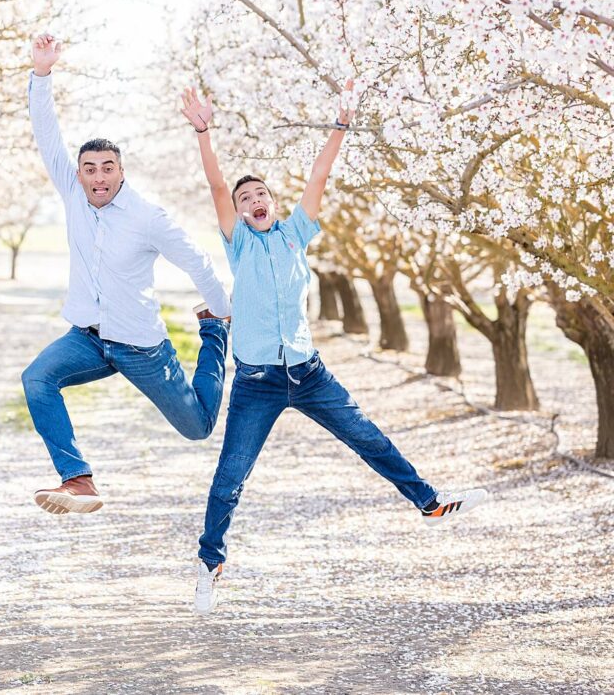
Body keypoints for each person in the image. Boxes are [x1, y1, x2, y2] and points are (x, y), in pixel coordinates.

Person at [179, 85, 488, 614]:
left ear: (273, 204)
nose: (253, 201)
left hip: (310, 374)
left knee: (368, 437)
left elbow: (319, 178)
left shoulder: (296, 234)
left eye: (261, 195)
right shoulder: (240, 244)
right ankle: (211, 563)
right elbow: (212, 182)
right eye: (244, 198)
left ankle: (429, 503)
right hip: (256, 382)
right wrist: (204, 133)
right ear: (237, 212)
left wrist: (340, 127)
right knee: (231, 475)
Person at [23, 34, 232, 515]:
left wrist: (219, 313)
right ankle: (78, 480)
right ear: (78, 173)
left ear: (122, 171)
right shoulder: (73, 194)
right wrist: (41, 74)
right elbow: (46, 132)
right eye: (90, 168)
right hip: (89, 337)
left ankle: (212, 337)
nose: (98, 177)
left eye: (108, 168)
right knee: (37, 379)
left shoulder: (147, 217)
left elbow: (196, 261)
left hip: (140, 344)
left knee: (198, 427)